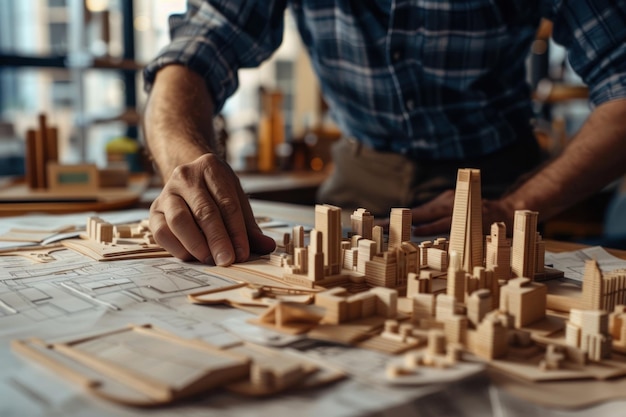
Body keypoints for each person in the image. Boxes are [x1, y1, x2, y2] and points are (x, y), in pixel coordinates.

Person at [142, 1, 626, 266]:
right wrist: (184, 158)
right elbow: (197, 51)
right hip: (359, 176)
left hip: (499, 185)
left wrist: (512, 209)